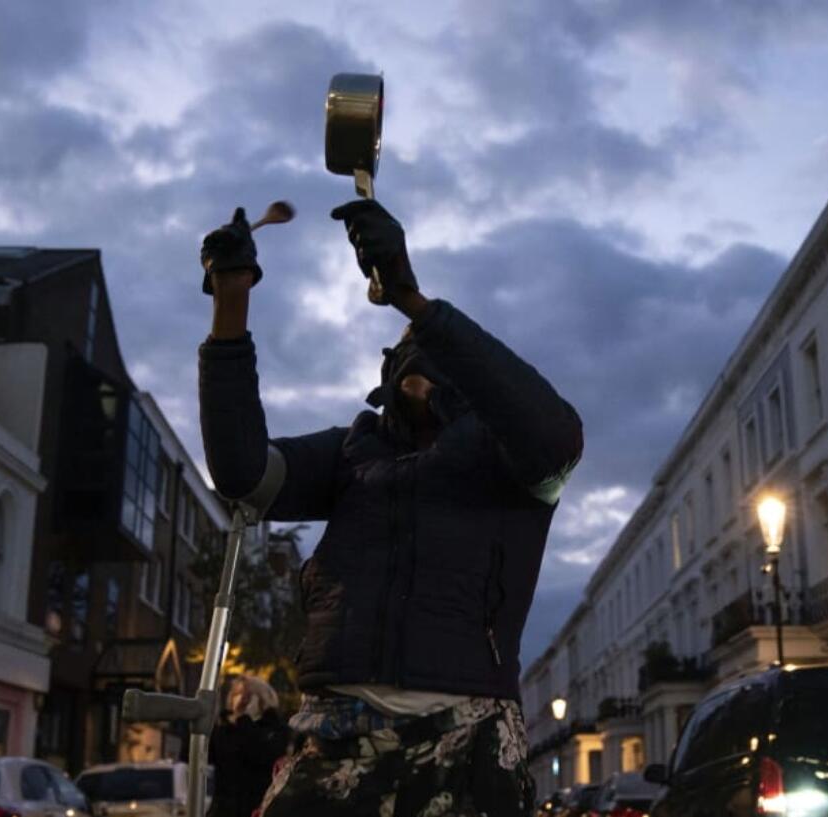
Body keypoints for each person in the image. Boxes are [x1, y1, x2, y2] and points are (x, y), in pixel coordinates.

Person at [197, 200, 583, 816]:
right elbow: (242, 473)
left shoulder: (511, 458)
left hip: (465, 736)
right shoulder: (353, 450)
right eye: (406, 345)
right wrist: (230, 303)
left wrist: (411, 299)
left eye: (431, 345)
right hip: (332, 741)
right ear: (384, 373)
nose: (419, 356)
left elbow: (557, 436)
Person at [208, 675, 291, 817]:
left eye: (247, 695)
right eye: (236, 694)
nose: (241, 700)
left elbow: (261, 754)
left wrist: (245, 719)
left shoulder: (275, 728)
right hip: (225, 808)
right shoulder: (224, 728)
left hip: (256, 806)